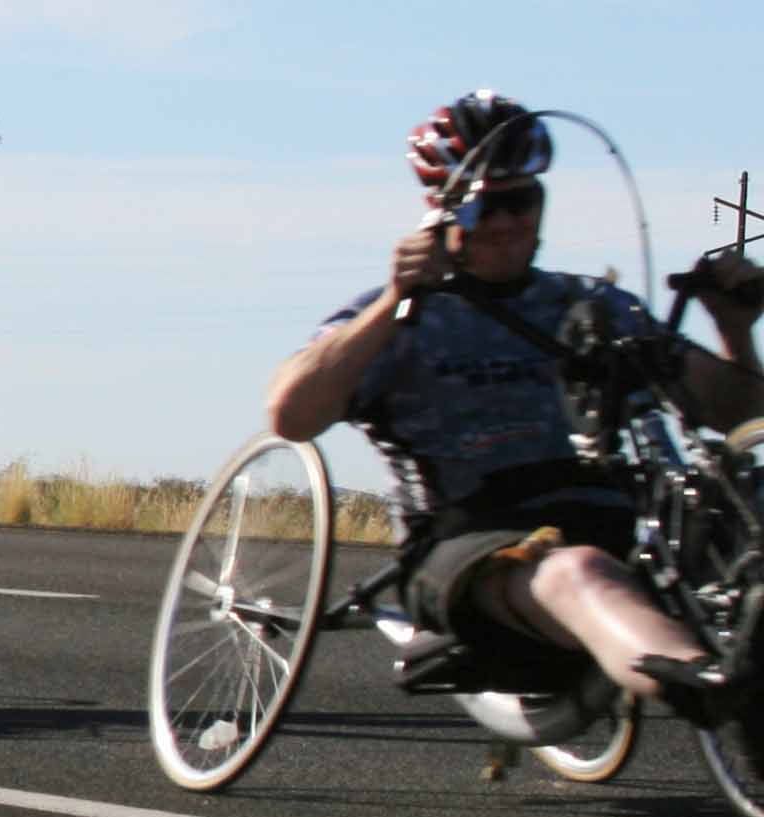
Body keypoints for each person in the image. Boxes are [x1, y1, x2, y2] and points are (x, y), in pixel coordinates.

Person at [264, 90, 764, 737]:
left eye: (519, 201)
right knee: (578, 570)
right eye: (484, 205)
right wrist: (393, 300)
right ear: (441, 209)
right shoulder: (403, 318)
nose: (504, 222)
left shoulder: (592, 305)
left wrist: (735, 331)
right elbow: (291, 415)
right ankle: (721, 691)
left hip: (616, 521)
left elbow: (734, 415)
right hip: (476, 539)